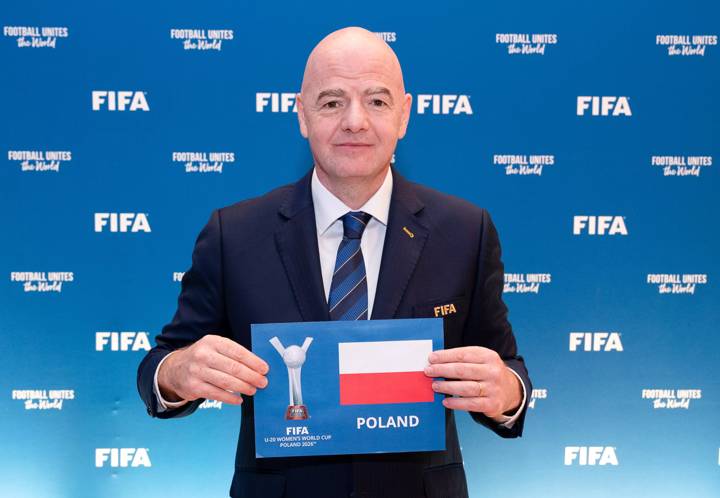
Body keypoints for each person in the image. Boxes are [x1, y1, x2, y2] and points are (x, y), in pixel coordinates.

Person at [137, 26, 531, 498]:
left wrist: (506, 392)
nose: (355, 121)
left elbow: (509, 370)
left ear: (404, 115)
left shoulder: (466, 230)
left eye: (377, 101)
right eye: (331, 102)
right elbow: (157, 369)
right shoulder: (234, 234)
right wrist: (178, 373)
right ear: (301, 115)